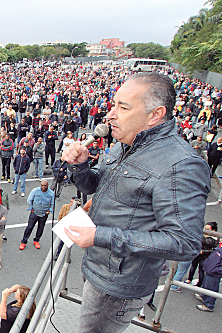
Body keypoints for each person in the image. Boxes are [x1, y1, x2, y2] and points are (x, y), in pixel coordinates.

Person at [61, 72, 211, 332]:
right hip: (100, 267)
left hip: (120, 283)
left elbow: (185, 243)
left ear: (154, 114)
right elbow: (98, 185)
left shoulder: (181, 165)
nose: (110, 114)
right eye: (114, 104)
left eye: (123, 107)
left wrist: (100, 236)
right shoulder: (126, 142)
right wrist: (80, 166)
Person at [19, 180, 55, 250]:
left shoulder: (51, 193)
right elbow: (29, 200)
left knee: (41, 228)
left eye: (45, 186)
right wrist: (31, 208)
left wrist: (49, 210)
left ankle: (36, 240)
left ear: (47, 185)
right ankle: (24, 241)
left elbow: (53, 203)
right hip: (34, 213)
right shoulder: (35, 191)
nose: (43, 187)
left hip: (44, 214)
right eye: (42, 185)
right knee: (29, 227)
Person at [184, 222, 218, 287]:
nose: (205, 230)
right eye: (205, 228)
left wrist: (204, 251)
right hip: (197, 253)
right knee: (193, 267)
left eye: (208, 229)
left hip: (205, 257)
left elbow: (214, 249)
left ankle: (199, 284)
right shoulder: (201, 234)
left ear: (213, 230)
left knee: (201, 270)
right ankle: (189, 279)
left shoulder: (215, 238)